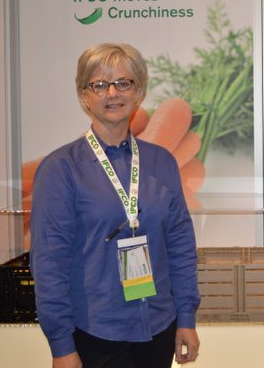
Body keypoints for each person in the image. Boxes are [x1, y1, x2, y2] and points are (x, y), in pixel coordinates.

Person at [30, 43, 200, 368]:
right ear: (84, 96)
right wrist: (61, 345)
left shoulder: (162, 162)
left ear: (138, 93)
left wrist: (186, 318)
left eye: (123, 83)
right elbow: (49, 263)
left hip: (158, 327)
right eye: (99, 84)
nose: (112, 93)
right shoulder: (60, 169)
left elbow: (180, 245)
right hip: (95, 332)